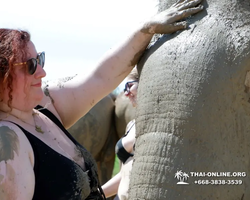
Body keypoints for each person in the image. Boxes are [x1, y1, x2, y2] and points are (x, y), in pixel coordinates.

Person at [0, 1, 203, 199]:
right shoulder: (7, 141)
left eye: (40, 60)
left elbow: (100, 76)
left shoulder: (44, 108)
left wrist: (146, 30)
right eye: (31, 65)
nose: (42, 72)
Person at [102, 67, 138, 200]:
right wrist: (97, 194)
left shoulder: (158, 125)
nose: (126, 93)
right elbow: (125, 173)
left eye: (130, 86)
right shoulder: (132, 124)